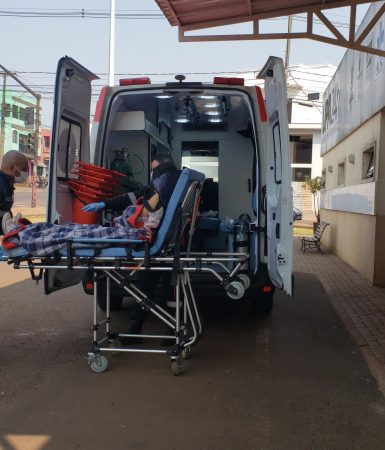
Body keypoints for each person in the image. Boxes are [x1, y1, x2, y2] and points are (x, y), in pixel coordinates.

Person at [82, 154, 180, 343]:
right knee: (146, 288)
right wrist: (105, 204)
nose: (153, 173)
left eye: (155, 169)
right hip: (157, 247)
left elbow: (142, 214)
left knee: (164, 290)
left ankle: (170, 332)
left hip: (158, 246)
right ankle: (137, 330)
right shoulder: (155, 189)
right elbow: (129, 198)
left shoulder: (165, 192)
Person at [0, 150, 29, 235]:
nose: (26, 173)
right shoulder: (1, 184)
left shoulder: (7, 183)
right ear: (12, 167)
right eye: (24, 169)